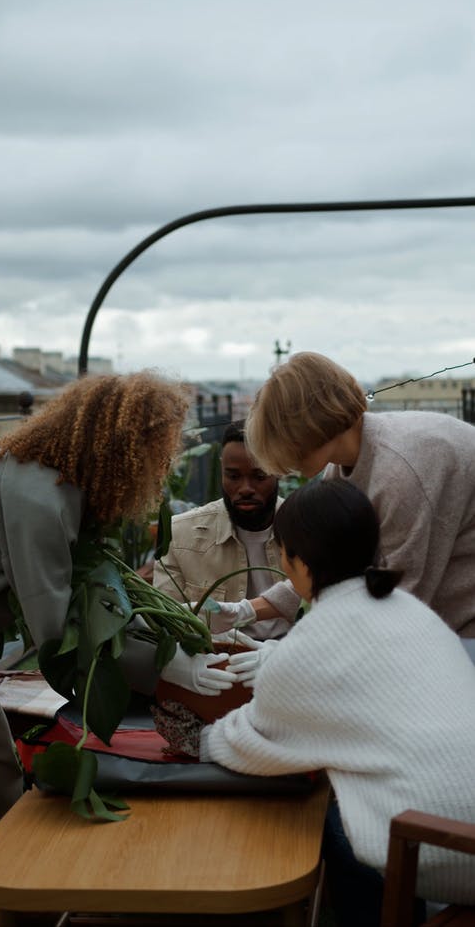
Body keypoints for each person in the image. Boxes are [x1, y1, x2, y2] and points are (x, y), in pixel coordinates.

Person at [153, 479, 475, 926]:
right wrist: (278, 656)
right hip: (464, 825)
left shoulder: (315, 641)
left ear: (297, 561)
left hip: (436, 845)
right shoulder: (405, 607)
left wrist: (199, 737)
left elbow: (256, 743)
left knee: (315, 823)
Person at [0, 371, 235, 846]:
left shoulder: (60, 483)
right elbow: (54, 630)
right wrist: (165, 670)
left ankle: (13, 889)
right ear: (122, 445)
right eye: (158, 447)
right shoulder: (40, 497)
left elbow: (97, 603)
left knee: (0, 762)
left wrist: (167, 648)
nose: (160, 462)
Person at [243, 350, 475, 655]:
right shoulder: (343, 467)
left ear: (306, 427)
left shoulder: (400, 474)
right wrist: (247, 610)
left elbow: (399, 602)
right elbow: (328, 568)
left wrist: (293, 658)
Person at [153, 420, 301, 641]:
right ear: (222, 470)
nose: (245, 489)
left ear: (277, 471)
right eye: (233, 476)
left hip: (293, 653)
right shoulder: (179, 533)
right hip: (216, 659)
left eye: (259, 477)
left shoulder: (306, 528)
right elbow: (166, 622)